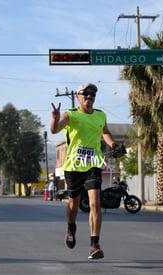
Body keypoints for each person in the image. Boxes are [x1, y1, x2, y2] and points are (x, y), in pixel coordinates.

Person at [50, 83, 124, 260]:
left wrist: (113, 145)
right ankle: (70, 227)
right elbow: (54, 130)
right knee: (73, 204)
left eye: (93, 94)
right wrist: (55, 118)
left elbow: (104, 132)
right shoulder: (71, 114)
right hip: (74, 165)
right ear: (78, 96)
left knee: (95, 202)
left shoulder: (100, 115)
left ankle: (94, 244)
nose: (89, 97)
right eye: (86, 94)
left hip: (93, 163)